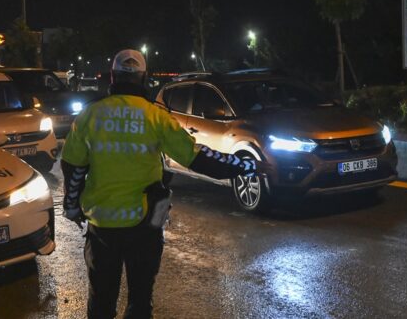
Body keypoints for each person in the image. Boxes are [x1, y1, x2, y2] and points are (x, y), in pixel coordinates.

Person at [61, 49, 269, 319]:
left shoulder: (90, 116)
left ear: (112, 77)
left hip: (102, 229)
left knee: (101, 301)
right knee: (140, 299)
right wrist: (246, 165)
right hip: (145, 225)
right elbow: (197, 157)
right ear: (144, 78)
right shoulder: (155, 116)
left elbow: (72, 168)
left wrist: (72, 207)